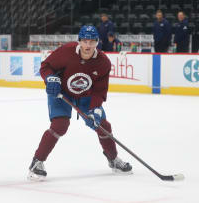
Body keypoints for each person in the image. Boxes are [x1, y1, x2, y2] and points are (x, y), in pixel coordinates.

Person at [28, 25, 132, 181]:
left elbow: (99, 91)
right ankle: (37, 162)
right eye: (85, 41)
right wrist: (50, 78)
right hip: (61, 93)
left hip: (86, 96)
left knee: (103, 126)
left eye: (92, 42)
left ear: (98, 42)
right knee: (60, 125)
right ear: (79, 41)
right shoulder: (66, 51)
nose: (88, 45)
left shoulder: (103, 63)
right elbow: (46, 66)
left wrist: (95, 110)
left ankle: (113, 160)